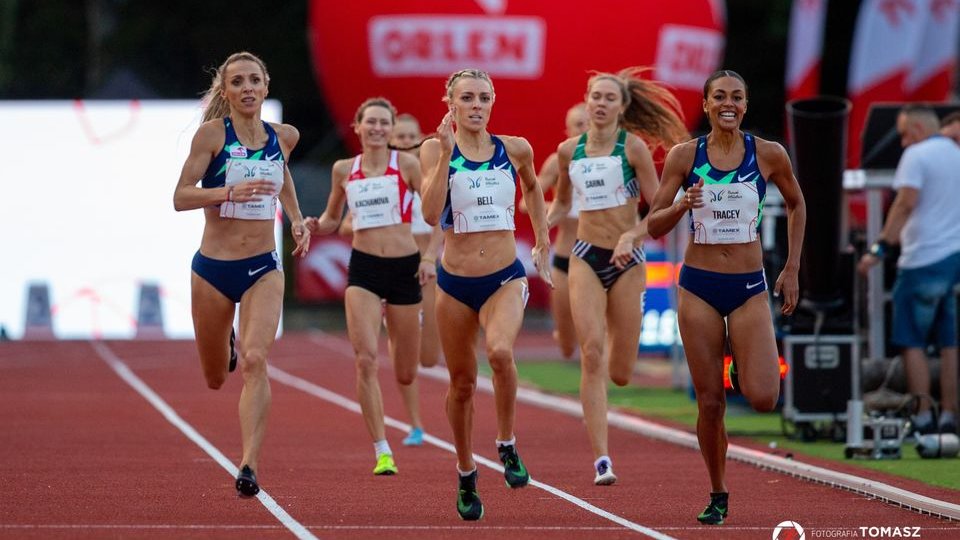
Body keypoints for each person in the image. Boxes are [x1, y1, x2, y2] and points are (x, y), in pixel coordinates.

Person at [647, 70, 806, 525]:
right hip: (698, 285)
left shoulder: (769, 154)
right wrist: (681, 205)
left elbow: (797, 204)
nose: (728, 103)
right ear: (706, 103)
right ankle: (718, 491)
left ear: (746, 104)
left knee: (762, 398)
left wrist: (792, 267)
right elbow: (654, 221)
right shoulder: (684, 156)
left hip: (748, 286)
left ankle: (739, 351)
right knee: (710, 402)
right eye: (719, 96)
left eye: (737, 96)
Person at [172, 51, 311, 497]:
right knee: (216, 376)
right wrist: (227, 191)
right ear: (227, 91)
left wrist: (296, 218)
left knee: (256, 361)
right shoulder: (212, 136)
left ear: (266, 86)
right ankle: (224, 348)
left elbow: (283, 177)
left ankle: (249, 464)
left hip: (263, 266)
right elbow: (180, 196)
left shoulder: (283, 136)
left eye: (255, 80)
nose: (248, 88)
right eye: (238, 82)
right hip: (213, 269)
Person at [419, 68, 553, 521]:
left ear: (493, 101)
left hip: (503, 277)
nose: (476, 105)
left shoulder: (514, 149)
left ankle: (507, 443)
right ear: (450, 104)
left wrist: (542, 240)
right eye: (467, 98)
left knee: (499, 352)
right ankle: (465, 471)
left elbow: (534, 189)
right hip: (455, 283)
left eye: (483, 98)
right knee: (460, 384)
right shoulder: (435, 150)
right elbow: (429, 210)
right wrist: (442, 156)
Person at [546, 68, 689, 487]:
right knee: (591, 353)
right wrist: (540, 226)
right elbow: (561, 206)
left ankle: (614, 340)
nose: (602, 103)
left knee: (621, 371)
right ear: (587, 100)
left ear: (622, 107)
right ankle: (602, 460)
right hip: (585, 257)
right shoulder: (569, 151)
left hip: (628, 261)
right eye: (596, 96)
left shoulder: (634, 150)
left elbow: (661, 210)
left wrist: (633, 232)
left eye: (610, 97)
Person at [305, 97, 432, 475]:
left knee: (406, 371)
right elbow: (332, 218)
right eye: (370, 122)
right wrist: (312, 225)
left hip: (405, 267)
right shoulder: (344, 168)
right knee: (365, 359)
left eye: (384, 122)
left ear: (391, 129)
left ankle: (404, 350)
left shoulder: (406, 164)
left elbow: (436, 211)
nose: (377, 128)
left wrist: (429, 257)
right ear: (358, 127)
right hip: (363, 269)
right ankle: (382, 449)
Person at [857, 104, 960, 436]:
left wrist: (879, 248)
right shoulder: (955, 154)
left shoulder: (917, 156)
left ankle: (923, 413)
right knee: (949, 343)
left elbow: (905, 203)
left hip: (922, 260)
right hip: (954, 258)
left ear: (916, 128)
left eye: (903, 133)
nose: (902, 142)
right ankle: (950, 414)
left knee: (911, 341)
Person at [392, 114, 445, 446]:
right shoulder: (382, 176)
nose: (405, 142)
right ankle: (415, 424)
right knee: (403, 353)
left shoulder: (433, 176)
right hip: (395, 267)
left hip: (429, 269)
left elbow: (444, 218)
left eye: (412, 136)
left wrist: (432, 256)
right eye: (399, 137)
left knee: (428, 356)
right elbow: (349, 223)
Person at [537, 103, 589, 359]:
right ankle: (565, 336)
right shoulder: (557, 162)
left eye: (588, 122)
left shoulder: (613, 160)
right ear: (567, 130)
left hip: (600, 257)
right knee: (568, 346)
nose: (585, 128)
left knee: (595, 341)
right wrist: (558, 207)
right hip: (565, 259)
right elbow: (527, 204)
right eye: (578, 124)